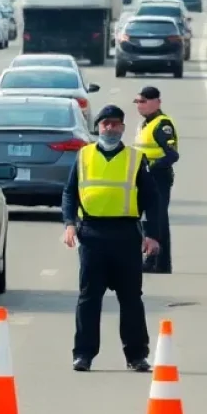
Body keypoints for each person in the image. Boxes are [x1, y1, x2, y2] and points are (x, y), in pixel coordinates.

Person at [62, 105, 161, 373]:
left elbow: (152, 200)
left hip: (126, 235)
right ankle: (83, 354)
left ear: (123, 128)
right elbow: (70, 193)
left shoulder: (135, 159)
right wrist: (69, 224)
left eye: (115, 124)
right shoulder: (84, 156)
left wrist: (152, 235)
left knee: (131, 298)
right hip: (92, 234)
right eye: (105, 124)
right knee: (89, 298)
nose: (110, 128)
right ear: (98, 127)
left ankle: (136, 355)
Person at [133, 86, 179, 274]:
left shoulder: (162, 124)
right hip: (145, 177)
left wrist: (150, 167)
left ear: (156, 102)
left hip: (158, 177)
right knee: (147, 219)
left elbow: (172, 155)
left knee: (157, 219)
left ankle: (157, 262)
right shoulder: (145, 124)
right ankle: (156, 261)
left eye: (143, 101)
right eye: (138, 102)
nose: (139, 106)